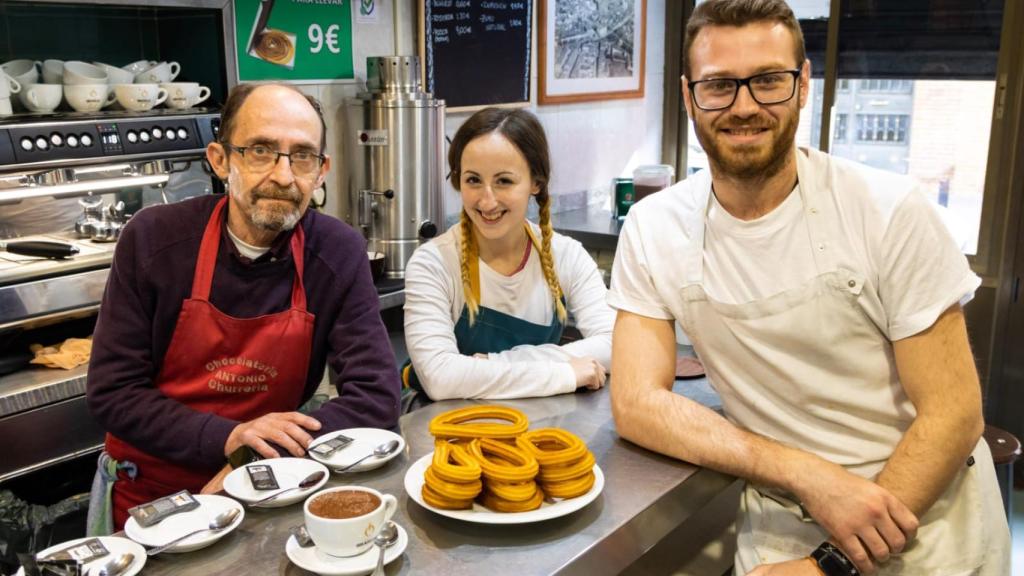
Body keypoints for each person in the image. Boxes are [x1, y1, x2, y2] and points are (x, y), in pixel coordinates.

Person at [607, 1, 1010, 575]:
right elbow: (637, 402)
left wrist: (831, 564)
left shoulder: (887, 211)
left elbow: (953, 415)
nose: (744, 107)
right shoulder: (654, 228)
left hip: (927, 531)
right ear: (687, 93)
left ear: (803, 87)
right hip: (781, 529)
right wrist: (806, 473)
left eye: (768, 80)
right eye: (719, 85)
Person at [86, 83, 401, 531]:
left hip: (269, 490)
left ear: (322, 170)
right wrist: (229, 436)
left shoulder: (336, 251)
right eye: (261, 151)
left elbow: (376, 397)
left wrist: (252, 459)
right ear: (220, 160)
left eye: (302, 156)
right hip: (155, 499)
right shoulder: (155, 239)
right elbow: (113, 392)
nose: (284, 175)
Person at [402, 108, 613, 401]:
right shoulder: (433, 264)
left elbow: (616, 343)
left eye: (504, 181)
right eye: (473, 180)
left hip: (538, 422)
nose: (487, 201)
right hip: (443, 427)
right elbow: (440, 378)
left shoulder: (567, 256)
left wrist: (493, 365)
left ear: (535, 183)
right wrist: (564, 371)